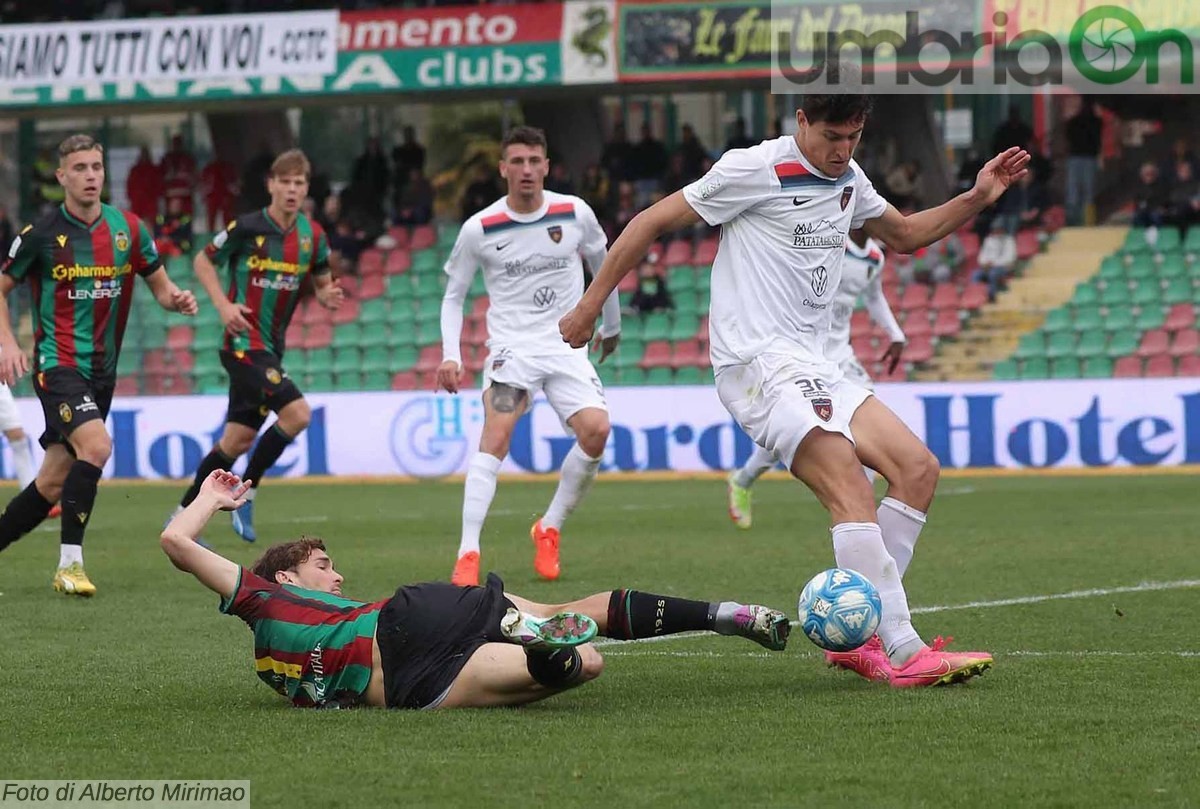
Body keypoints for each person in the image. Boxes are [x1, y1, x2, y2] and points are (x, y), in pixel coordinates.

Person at [560, 89, 1028, 688]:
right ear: (801, 121)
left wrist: (976, 196)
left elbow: (905, 235)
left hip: (816, 362)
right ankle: (905, 651)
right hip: (757, 364)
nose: (842, 151)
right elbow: (651, 220)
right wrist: (589, 306)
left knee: (917, 469)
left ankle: (854, 633)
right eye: (832, 137)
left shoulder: (850, 177)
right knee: (852, 490)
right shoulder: (753, 168)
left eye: (853, 138)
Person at [163, 469, 792, 710]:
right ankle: (547, 643)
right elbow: (177, 542)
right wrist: (211, 498)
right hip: (411, 658)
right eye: (323, 565)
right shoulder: (261, 596)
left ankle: (721, 615)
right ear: (285, 576)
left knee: (564, 632)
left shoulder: (272, 649)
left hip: (408, 657)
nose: (336, 575)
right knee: (584, 661)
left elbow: (176, 547)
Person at [0, 133, 198, 596]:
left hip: (101, 372)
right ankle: (70, 565)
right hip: (58, 364)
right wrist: (8, 342)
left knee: (51, 482)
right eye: (81, 168)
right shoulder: (41, 235)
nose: (91, 176)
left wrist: (178, 300)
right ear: (62, 176)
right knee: (97, 447)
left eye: (97, 167)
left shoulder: (128, 229)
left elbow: (161, 287)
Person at [438, 126, 622, 587]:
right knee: (495, 437)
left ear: (546, 166)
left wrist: (611, 323)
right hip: (512, 349)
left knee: (597, 432)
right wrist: (450, 354)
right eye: (516, 161)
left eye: (533, 161)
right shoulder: (480, 227)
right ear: (503, 169)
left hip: (566, 344)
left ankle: (550, 526)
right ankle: (468, 553)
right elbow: (453, 295)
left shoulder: (573, 212)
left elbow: (606, 267)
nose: (526, 170)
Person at [172, 149, 343, 543]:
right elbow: (202, 260)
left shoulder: (313, 236)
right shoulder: (248, 227)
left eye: (299, 183)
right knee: (298, 413)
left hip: (271, 348)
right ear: (271, 184)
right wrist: (223, 305)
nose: (291, 189)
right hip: (241, 344)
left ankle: (181, 517)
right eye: (285, 182)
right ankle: (247, 493)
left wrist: (327, 295)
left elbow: (321, 282)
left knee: (235, 441)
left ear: (305, 189)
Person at [727, 231, 905, 528]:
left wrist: (896, 334)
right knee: (789, 433)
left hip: (841, 355)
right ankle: (742, 481)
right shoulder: (826, 241)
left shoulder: (875, 256)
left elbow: (874, 297)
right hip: (805, 352)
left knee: (868, 431)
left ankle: (862, 515)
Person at [973, 220, 1016, 303]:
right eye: (995, 229)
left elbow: (1010, 258)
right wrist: (984, 263)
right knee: (975, 275)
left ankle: (992, 297)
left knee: (993, 274)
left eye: (998, 229)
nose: (996, 232)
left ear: (1003, 230)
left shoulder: (1008, 240)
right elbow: (982, 256)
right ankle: (977, 297)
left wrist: (993, 263)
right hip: (988, 267)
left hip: (1003, 267)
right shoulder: (989, 240)